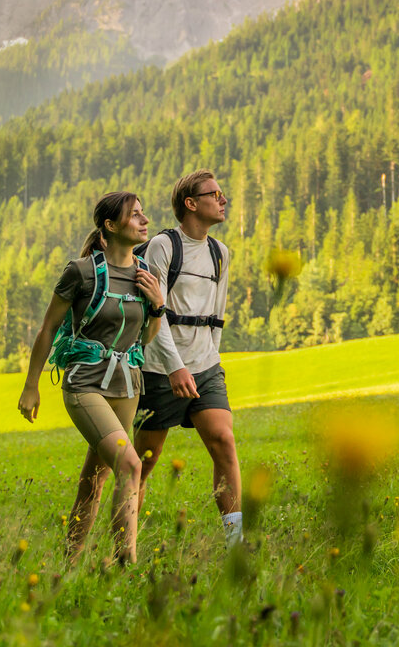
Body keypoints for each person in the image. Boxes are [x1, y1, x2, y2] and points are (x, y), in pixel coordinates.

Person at [17, 191, 164, 565]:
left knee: (94, 481)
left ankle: (69, 564)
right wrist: (31, 386)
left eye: (143, 213)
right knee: (130, 465)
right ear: (110, 226)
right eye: (134, 215)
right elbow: (48, 328)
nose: (144, 220)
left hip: (127, 386)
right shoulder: (81, 272)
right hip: (85, 385)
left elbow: (145, 338)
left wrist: (158, 304)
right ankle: (126, 562)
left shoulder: (147, 275)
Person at [134, 169, 243, 548]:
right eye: (214, 194)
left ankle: (236, 544)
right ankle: (124, 543)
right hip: (159, 369)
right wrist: (175, 366)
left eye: (221, 193)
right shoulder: (163, 246)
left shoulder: (220, 253)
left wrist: (210, 358)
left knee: (223, 441)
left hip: (205, 367)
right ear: (191, 203)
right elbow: (155, 312)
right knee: (145, 460)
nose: (223, 200)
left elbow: (217, 313)